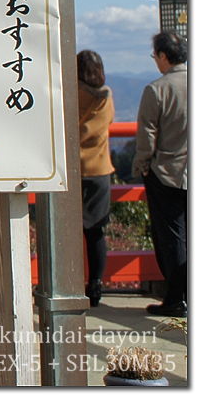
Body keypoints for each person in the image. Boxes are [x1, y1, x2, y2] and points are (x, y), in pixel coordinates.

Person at [134, 31, 188, 318]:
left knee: (173, 238)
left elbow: (147, 135)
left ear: (164, 56)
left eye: (155, 55)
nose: (155, 60)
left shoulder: (157, 89)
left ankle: (176, 298)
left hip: (167, 173)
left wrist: (142, 164)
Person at [77, 50, 115, 308]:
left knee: (66, 232)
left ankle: (67, 282)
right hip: (99, 169)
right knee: (95, 232)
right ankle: (96, 284)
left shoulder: (71, 91)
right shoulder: (106, 96)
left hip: (73, 169)